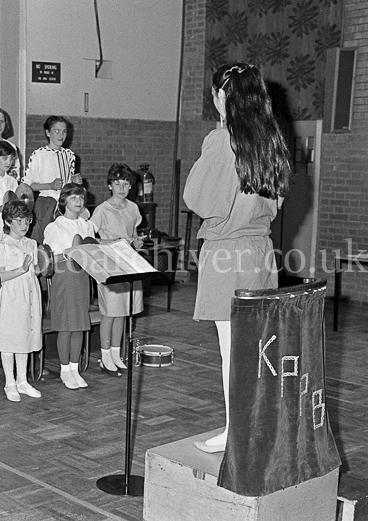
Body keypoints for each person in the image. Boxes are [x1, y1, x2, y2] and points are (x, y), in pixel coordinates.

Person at [184, 62, 290, 454]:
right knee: (257, 349)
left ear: (223, 96)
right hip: (261, 253)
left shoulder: (222, 140)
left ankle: (236, 432)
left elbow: (198, 199)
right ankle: (257, 426)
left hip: (227, 252)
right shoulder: (271, 139)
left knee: (233, 353)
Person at [89, 164, 145, 377]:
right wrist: (113, 241)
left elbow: (133, 233)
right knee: (109, 313)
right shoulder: (102, 210)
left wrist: (136, 242)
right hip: (109, 264)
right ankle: (104, 357)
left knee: (123, 311)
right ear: (109, 185)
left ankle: (116, 354)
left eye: (126, 184)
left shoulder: (132, 208)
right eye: (117, 183)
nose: (121, 187)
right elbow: (90, 238)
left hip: (128, 263)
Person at [43, 183, 97, 389]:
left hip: (83, 277)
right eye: (74, 198)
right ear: (64, 201)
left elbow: (92, 249)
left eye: (81, 198)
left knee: (80, 325)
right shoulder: (55, 227)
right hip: (64, 276)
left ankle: (75, 368)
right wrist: (69, 253)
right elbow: (49, 259)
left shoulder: (87, 225)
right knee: (66, 325)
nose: (79, 202)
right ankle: (65, 370)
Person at [0, 201, 42, 402]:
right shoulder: (1, 245)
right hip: (11, 294)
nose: (24, 225)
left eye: (27, 221)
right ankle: (9, 382)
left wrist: (40, 268)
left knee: (25, 335)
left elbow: (35, 270)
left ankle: (23, 381)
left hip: (29, 293)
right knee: (9, 337)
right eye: (19, 221)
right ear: (7, 221)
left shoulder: (31, 244)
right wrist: (20, 270)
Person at [24, 116, 82, 244]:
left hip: (66, 206)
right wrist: (49, 185)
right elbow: (27, 186)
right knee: (41, 243)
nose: (61, 135)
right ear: (47, 133)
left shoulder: (70, 155)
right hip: (46, 205)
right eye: (57, 131)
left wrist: (74, 182)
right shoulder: (39, 154)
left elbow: (68, 184)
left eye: (64, 131)